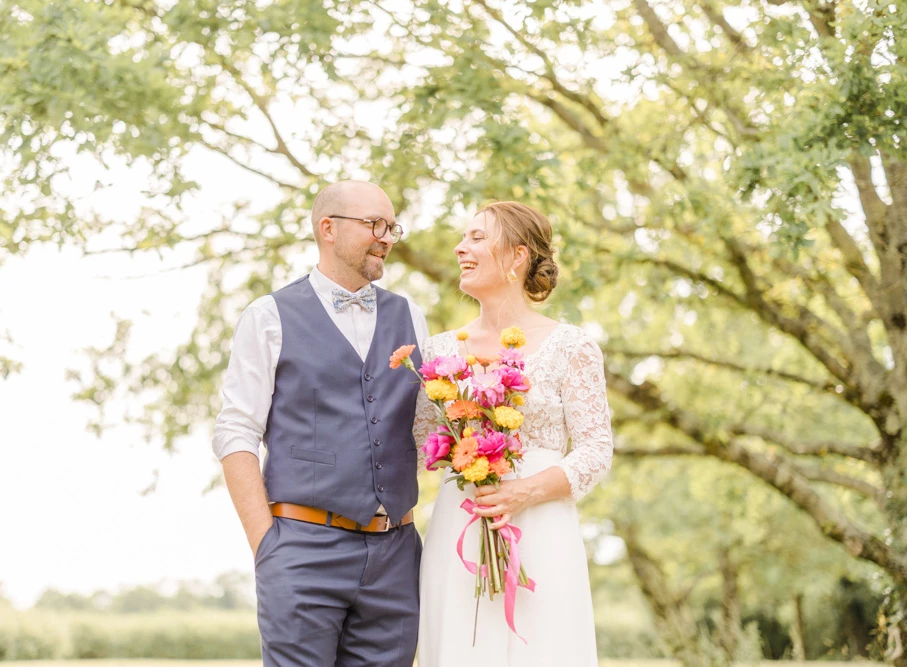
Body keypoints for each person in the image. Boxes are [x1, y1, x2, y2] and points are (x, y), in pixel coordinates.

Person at [212, 180, 429, 666]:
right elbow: (235, 432)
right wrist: (267, 546)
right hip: (301, 550)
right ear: (327, 229)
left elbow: (426, 426)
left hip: (397, 554)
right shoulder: (268, 316)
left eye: (391, 226)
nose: (387, 237)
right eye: (374, 224)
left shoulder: (411, 314)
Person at [416, 201, 613, 666]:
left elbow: (597, 449)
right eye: (463, 238)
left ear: (517, 256)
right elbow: (420, 442)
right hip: (460, 523)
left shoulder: (571, 346)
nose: (460, 248)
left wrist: (522, 492)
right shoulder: (440, 351)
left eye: (477, 238)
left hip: (542, 528)